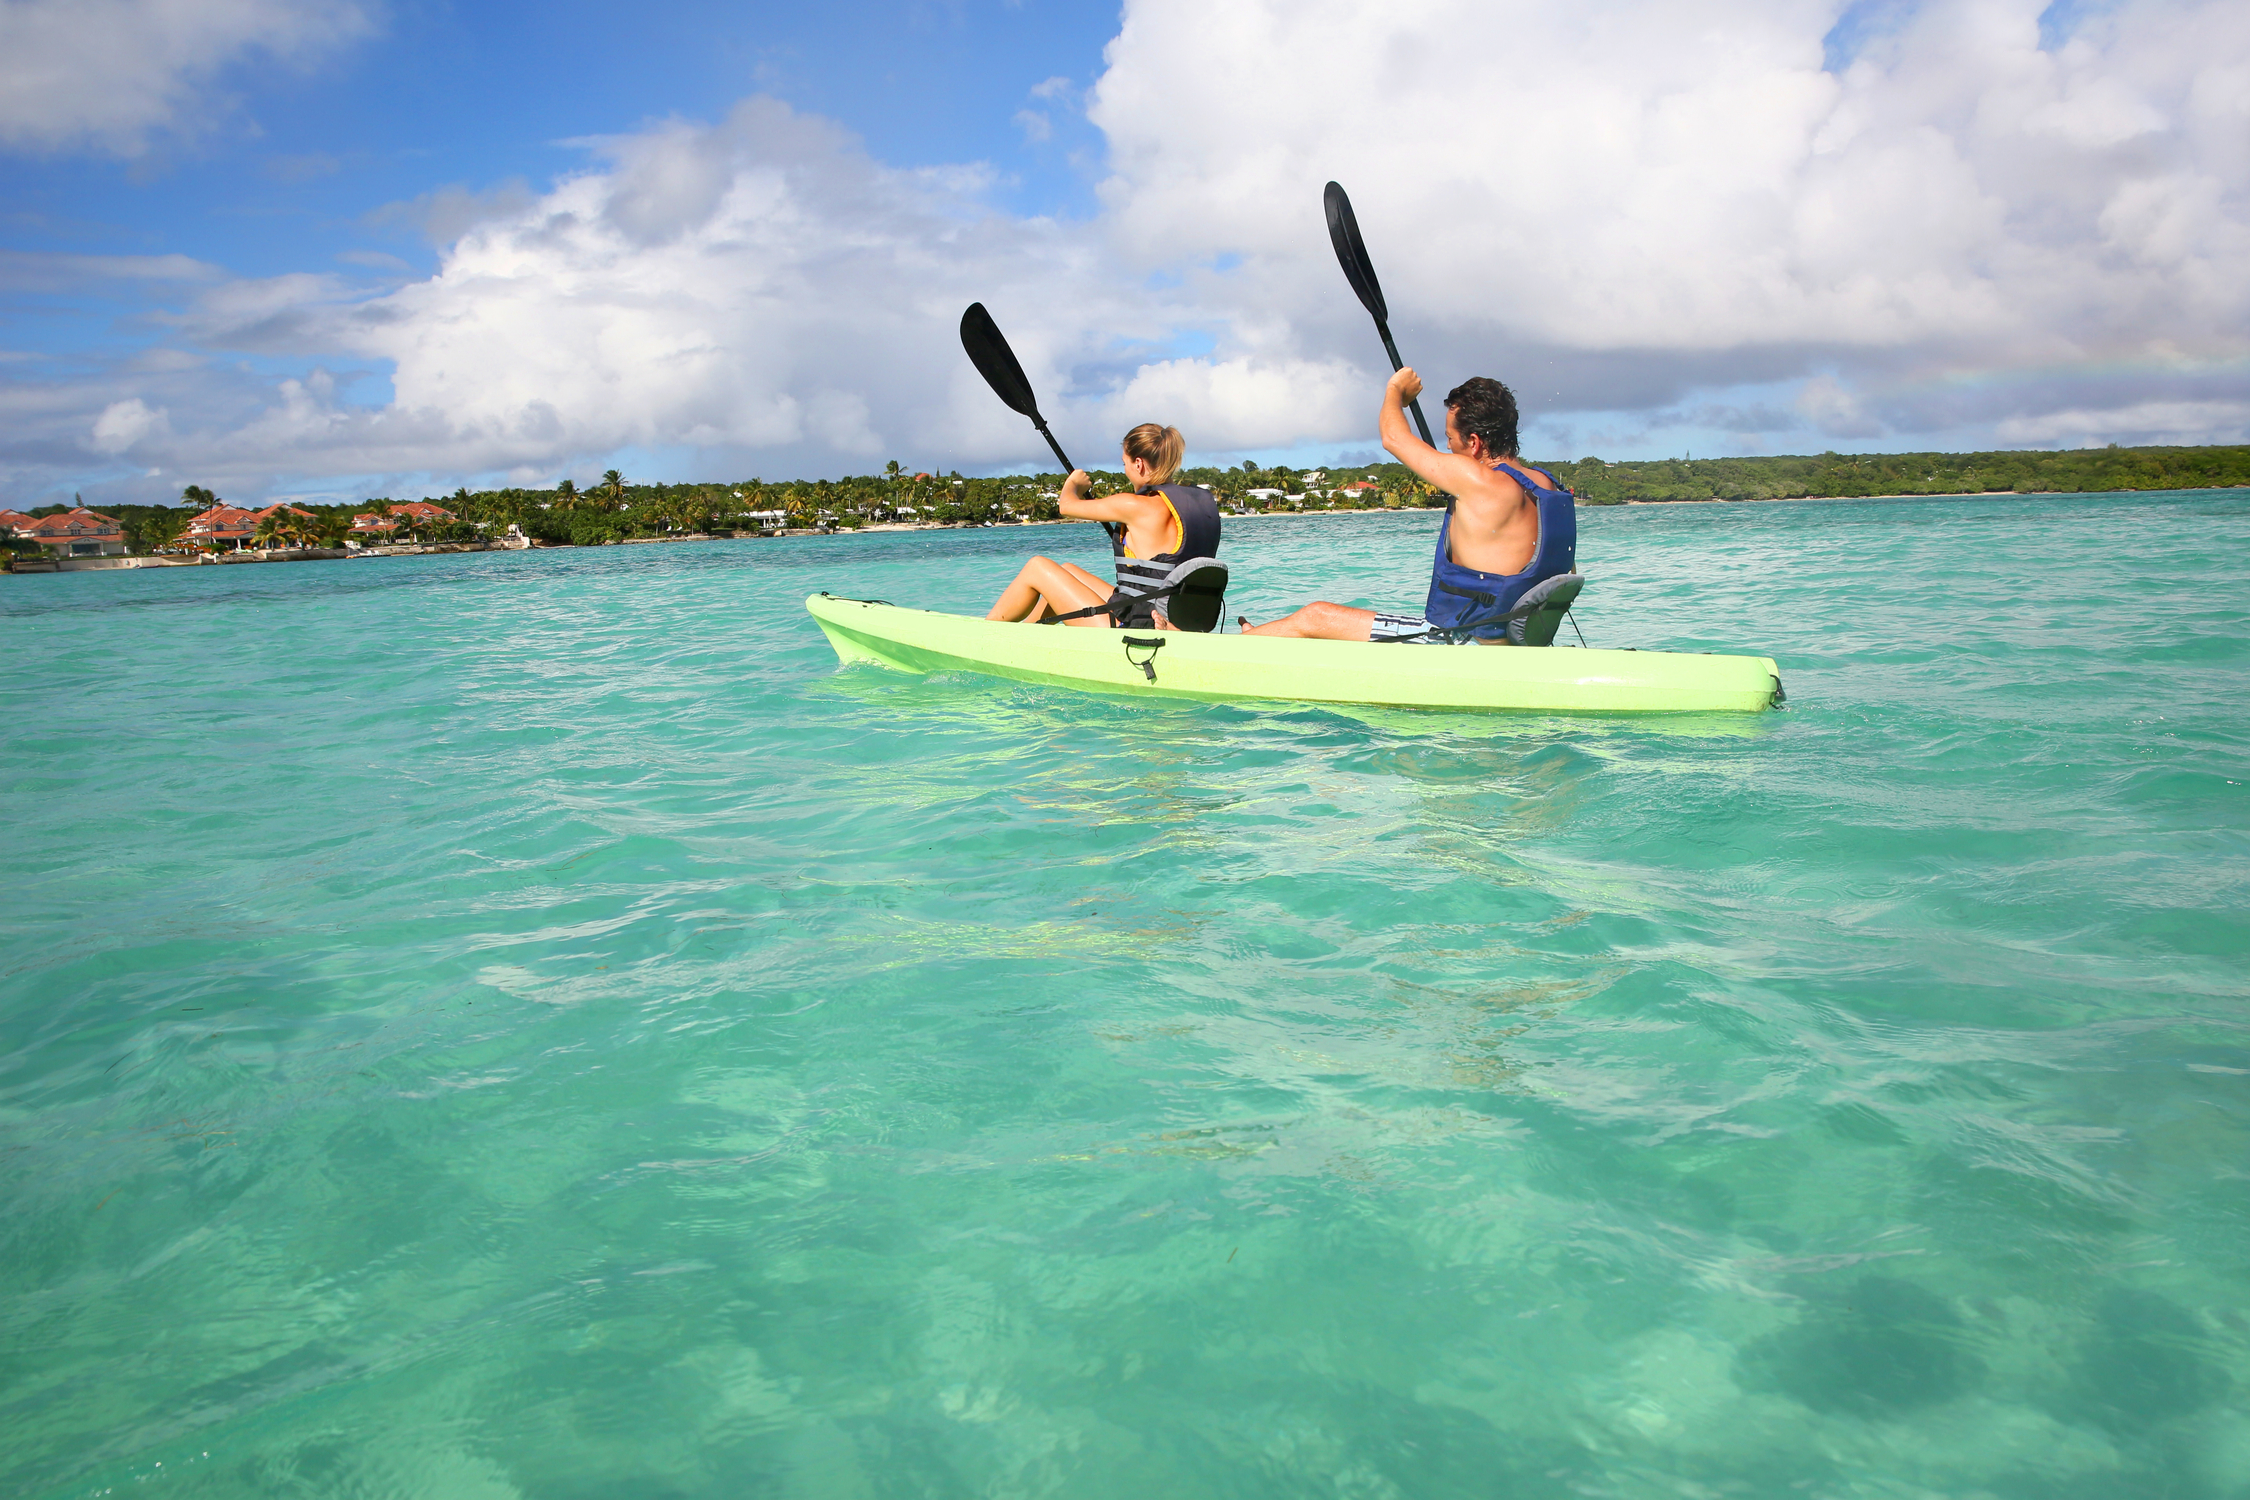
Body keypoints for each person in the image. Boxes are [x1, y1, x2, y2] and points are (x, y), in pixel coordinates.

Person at [1242, 370, 1575, 643]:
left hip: (1459, 643)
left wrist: (1395, 390)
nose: (1447, 449)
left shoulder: (1478, 479)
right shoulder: (1549, 488)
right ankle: (1257, 638)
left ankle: (1240, 649)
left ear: (1473, 443)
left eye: (1450, 441)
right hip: (1517, 646)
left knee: (1314, 616)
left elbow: (1393, 438)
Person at [985, 423, 1223, 629]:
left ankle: (985, 633)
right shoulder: (1201, 504)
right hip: (1171, 621)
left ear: (1138, 464)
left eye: (1125, 464)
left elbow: (1066, 506)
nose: (1127, 471)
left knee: (1037, 567)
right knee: (1067, 570)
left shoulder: (1135, 505)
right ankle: (1029, 633)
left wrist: (1073, 483)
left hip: (1132, 626)